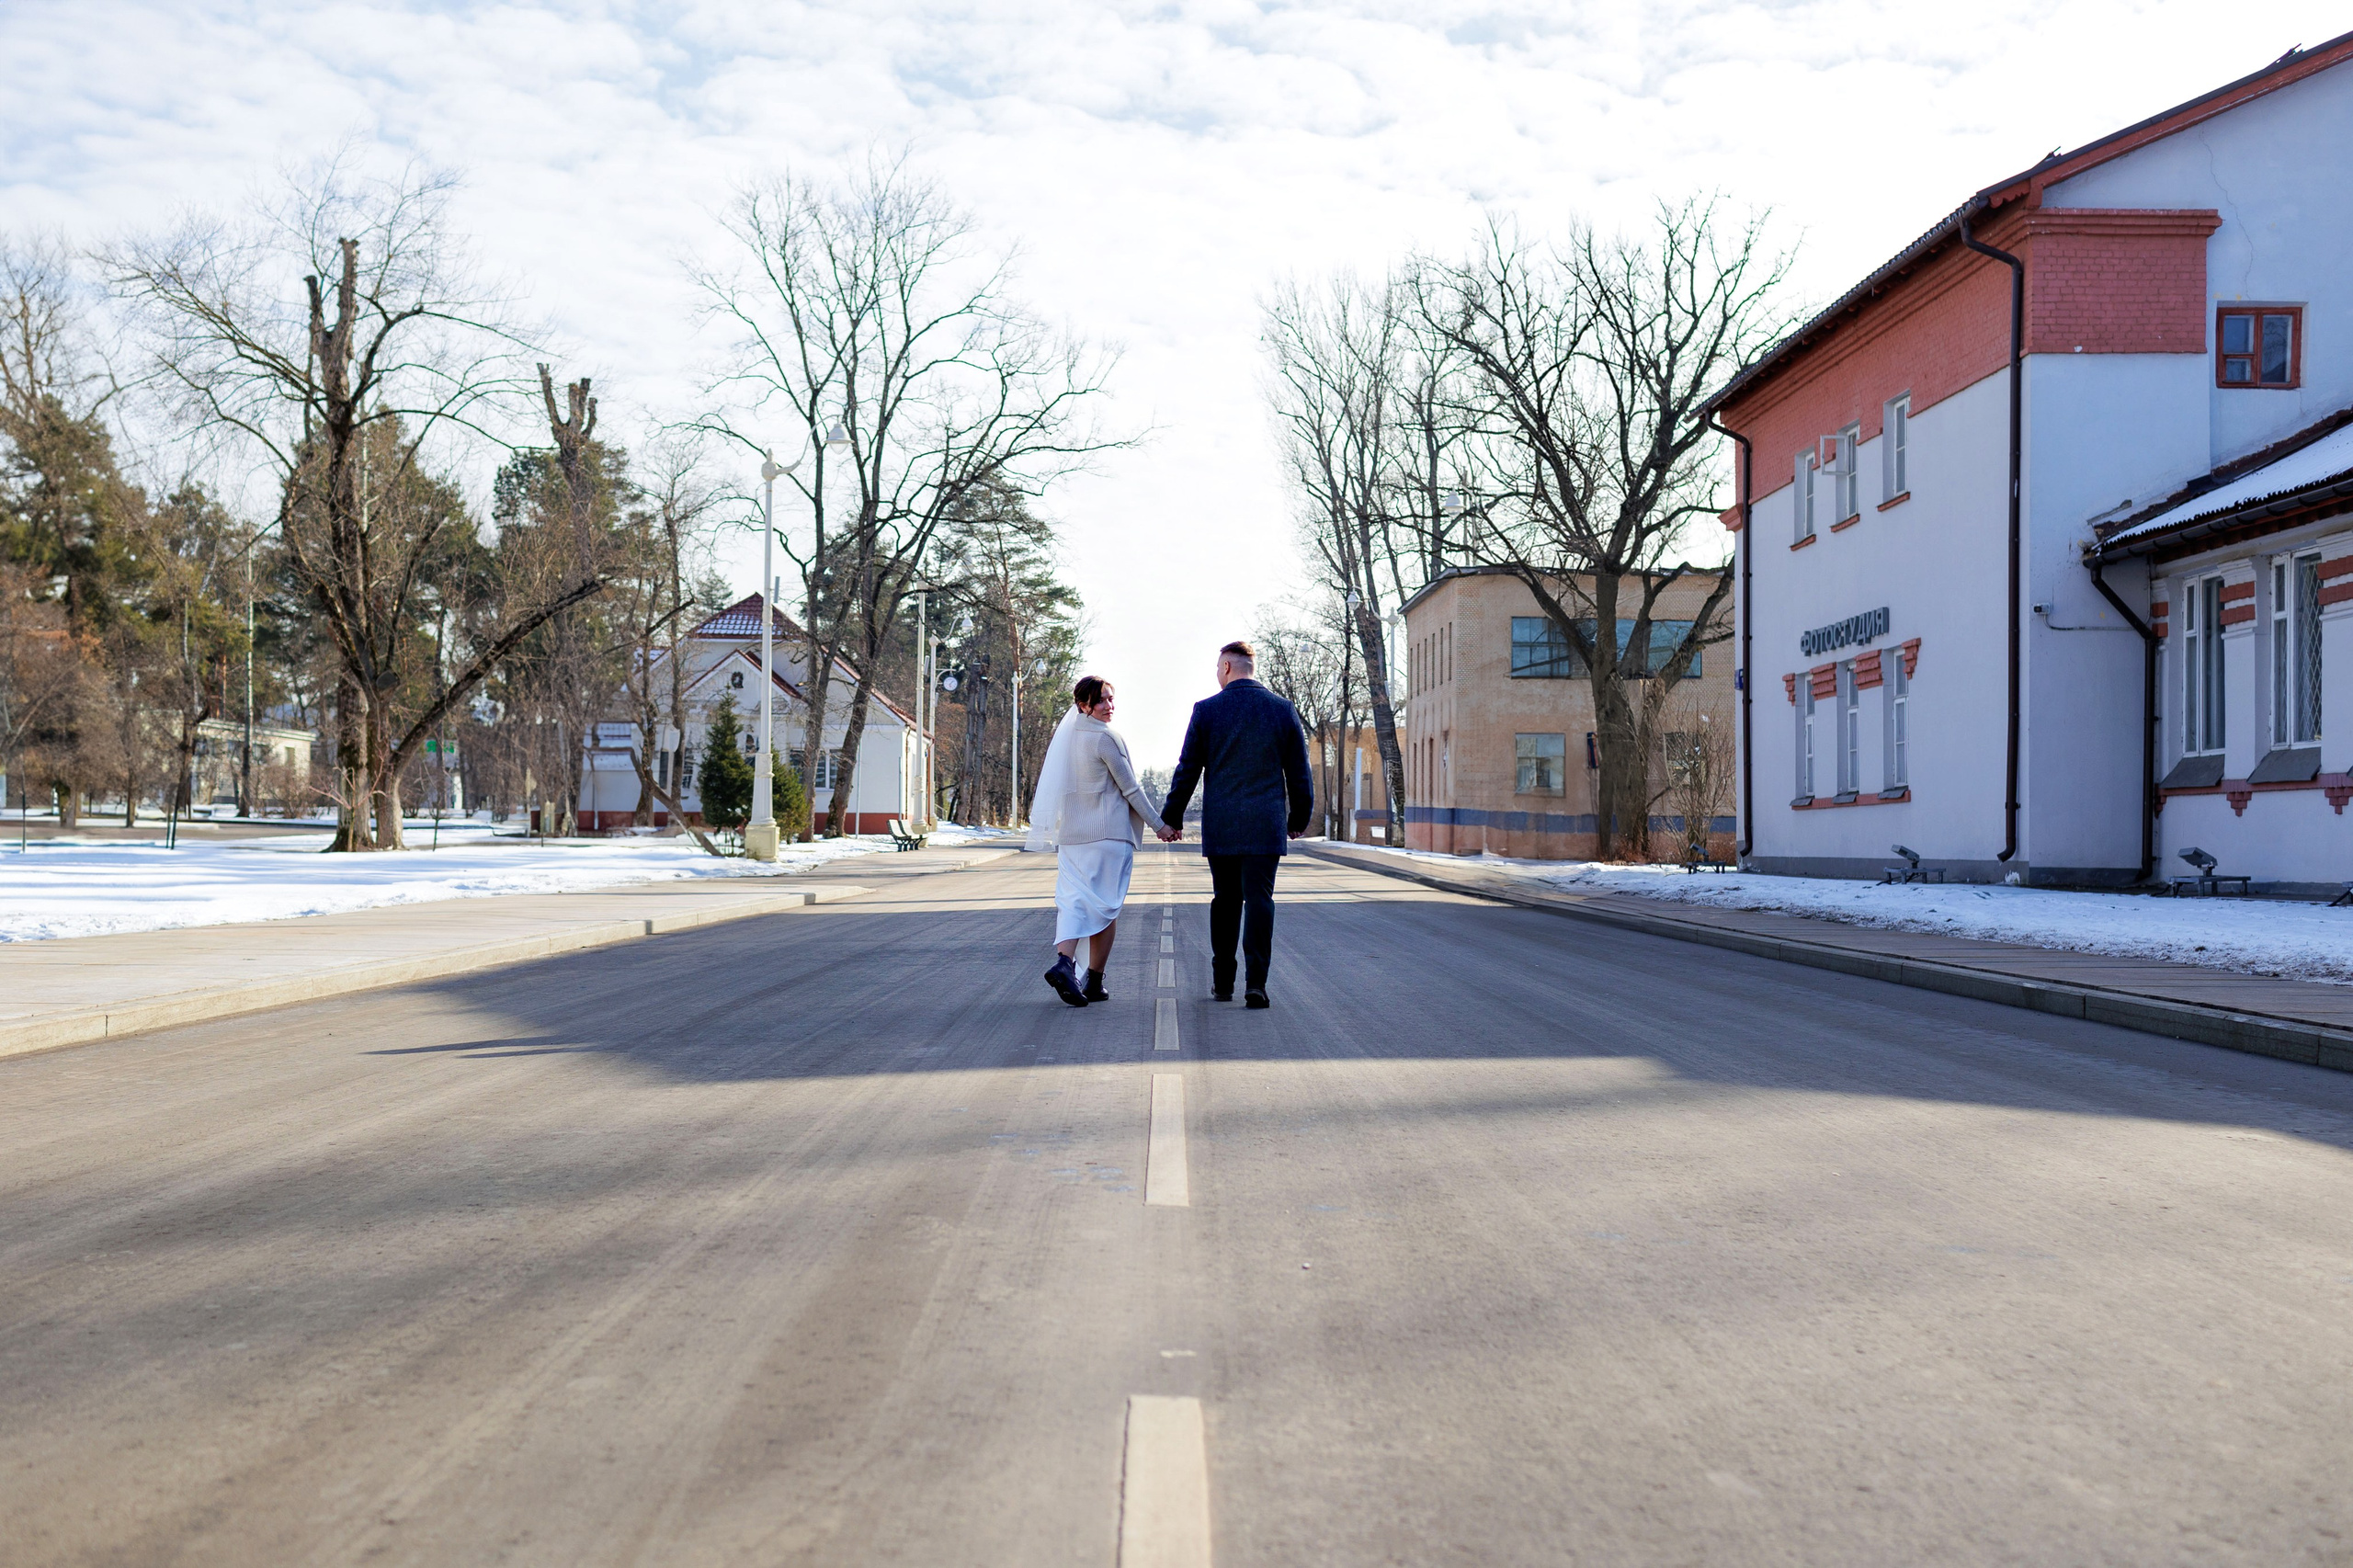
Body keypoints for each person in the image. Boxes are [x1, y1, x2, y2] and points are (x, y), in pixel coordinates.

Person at [1158, 640, 1313, 1009]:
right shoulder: (1282, 709)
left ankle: (1223, 983)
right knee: (1260, 899)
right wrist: (1298, 818)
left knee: (1226, 900)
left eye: (1217, 668)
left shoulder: (1207, 710)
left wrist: (1172, 817)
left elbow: (1188, 768)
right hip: (1265, 823)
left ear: (1227, 667)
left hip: (1223, 824)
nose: (1216, 674)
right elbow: (1299, 773)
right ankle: (1256, 985)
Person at [1028, 675, 1178, 1007]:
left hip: (1072, 837)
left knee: (1072, 903)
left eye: (1111, 699)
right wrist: (1159, 825)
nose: (1109, 706)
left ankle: (1064, 963)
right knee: (1105, 909)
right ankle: (1094, 980)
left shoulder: (1064, 740)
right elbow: (1130, 789)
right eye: (1101, 701)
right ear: (1083, 705)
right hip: (1108, 836)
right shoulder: (1106, 738)